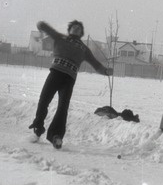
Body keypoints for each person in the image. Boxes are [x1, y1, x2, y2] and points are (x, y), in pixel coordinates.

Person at [29, 19, 111, 149]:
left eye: (79, 28)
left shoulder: (84, 49)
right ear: (69, 29)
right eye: (74, 27)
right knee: (43, 101)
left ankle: (56, 136)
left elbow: (96, 65)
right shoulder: (60, 38)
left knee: (63, 108)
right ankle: (38, 130)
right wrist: (40, 25)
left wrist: (106, 71)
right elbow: (46, 28)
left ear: (81, 33)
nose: (76, 29)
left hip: (69, 79)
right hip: (55, 74)